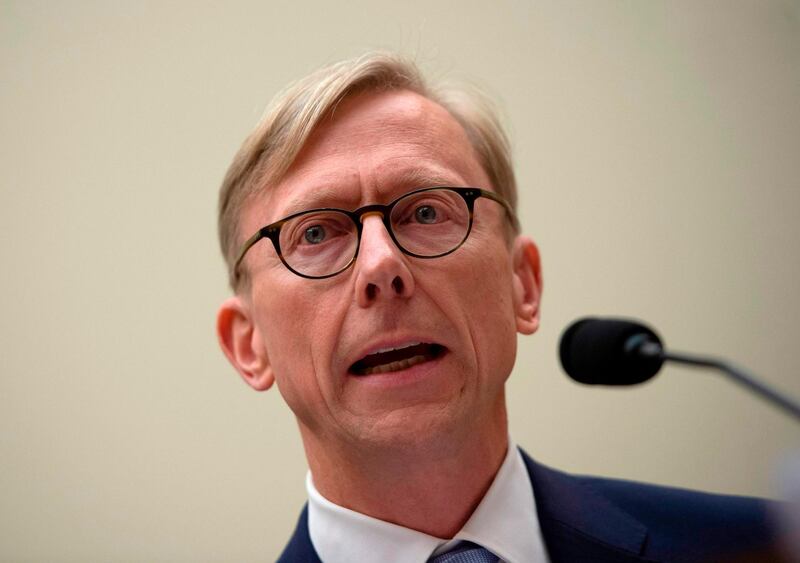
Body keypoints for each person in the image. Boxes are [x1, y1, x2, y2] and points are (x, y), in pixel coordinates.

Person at [215, 53, 782, 562]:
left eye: (428, 212)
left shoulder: (762, 545)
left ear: (523, 285)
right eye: (315, 233)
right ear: (249, 345)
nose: (382, 267)